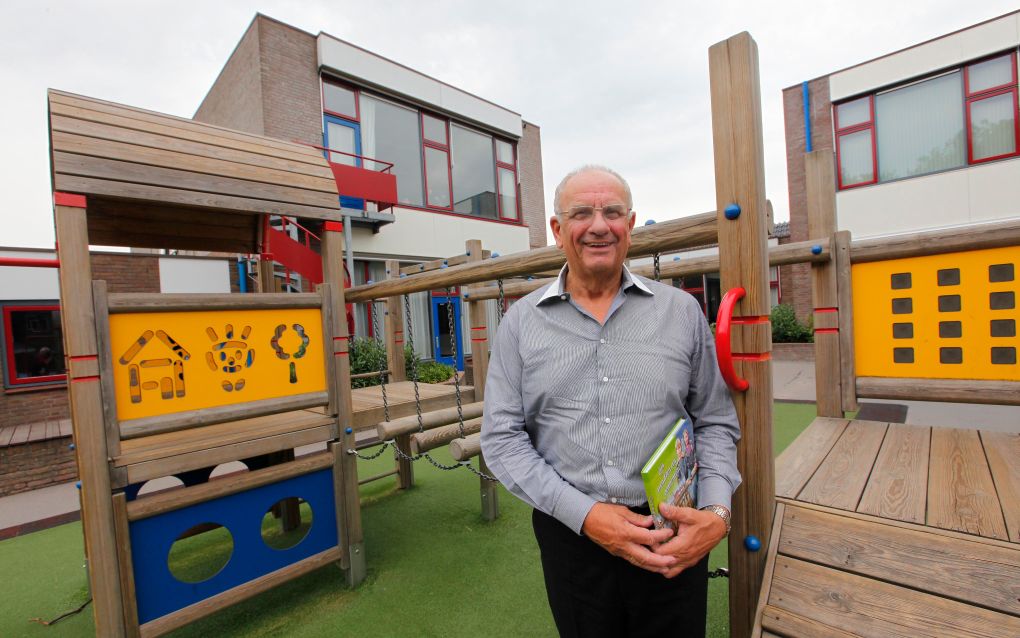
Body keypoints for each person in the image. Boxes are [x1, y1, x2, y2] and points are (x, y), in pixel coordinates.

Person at [481, 165, 741, 637]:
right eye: (582, 212)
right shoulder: (520, 323)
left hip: (672, 530)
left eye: (613, 212)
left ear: (631, 224)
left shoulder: (680, 312)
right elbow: (501, 439)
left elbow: (716, 422)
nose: (599, 225)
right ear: (559, 230)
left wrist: (717, 515)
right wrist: (586, 516)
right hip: (573, 537)